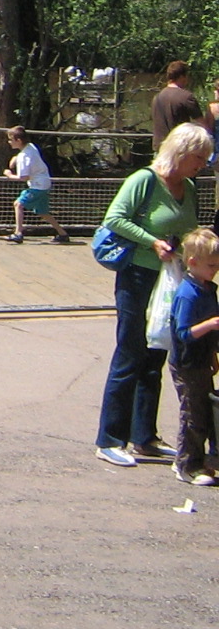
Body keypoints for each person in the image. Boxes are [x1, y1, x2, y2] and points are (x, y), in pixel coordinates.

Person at [94, 121, 212, 468]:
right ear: (181, 152)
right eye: (199, 158)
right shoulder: (144, 180)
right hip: (137, 275)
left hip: (169, 278)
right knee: (130, 351)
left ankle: (144, 436)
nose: (202, 165)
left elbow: (190, 227)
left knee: (155, 354)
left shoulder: (189, 187)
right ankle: (109, 438)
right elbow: (114, 219)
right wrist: (152, 241)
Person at [168, 228, 219, 486]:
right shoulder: (188, 294)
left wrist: (212, 353)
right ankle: (187, 465)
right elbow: (184, 333)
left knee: (206, 413)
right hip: (187, 363)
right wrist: (209, 324)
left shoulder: (208, 288)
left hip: (202, 360)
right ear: (192, 263)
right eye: (211, 265)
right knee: (193, 415)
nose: (215, 270)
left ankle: (205, 462)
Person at [2, 126, 69, 244]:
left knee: (18, 204)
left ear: (18, 141)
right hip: (44, 184)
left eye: (11, 140)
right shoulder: (30, 146)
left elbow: (23, 177)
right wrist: (14, 159)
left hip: (37, 186)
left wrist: (9, 174)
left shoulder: (24, 157)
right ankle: (62, 234)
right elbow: (24, 156)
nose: (9, 142)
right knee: (42, 212)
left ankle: (18, 233)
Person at [152, 61, 206, 147]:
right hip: (179, 147)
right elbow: (202, 125)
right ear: (182, 76)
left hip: (160, 148)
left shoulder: (157, 97)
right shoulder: (186, 97)